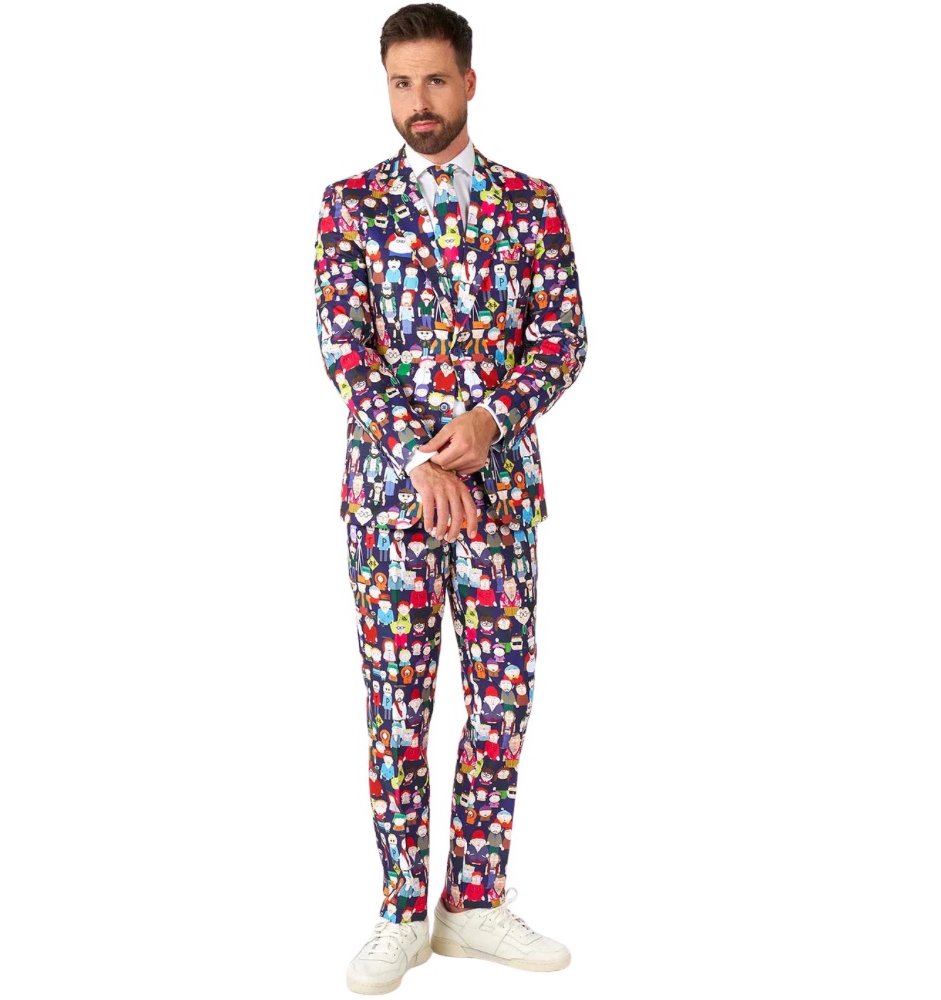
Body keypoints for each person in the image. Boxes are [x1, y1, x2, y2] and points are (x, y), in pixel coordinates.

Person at [312, 3, 587, 992]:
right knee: (397, 706)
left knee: (501, 697)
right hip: (391, 507)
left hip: (501, 500)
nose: (417, 102)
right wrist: (420, 459)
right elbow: (344, 346)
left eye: (434, 80)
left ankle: (473, 902)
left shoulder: (530, 203)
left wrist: (491, 421)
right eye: (401, 83)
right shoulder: (350, 205)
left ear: (468, 82)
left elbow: (563, 336)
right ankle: (400, 911)